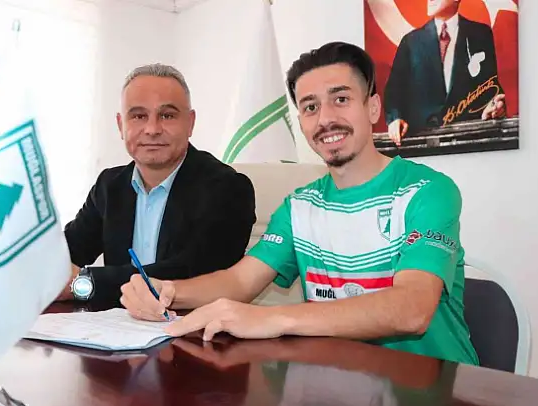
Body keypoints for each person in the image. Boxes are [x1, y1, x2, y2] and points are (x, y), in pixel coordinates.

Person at [119, 42, 479, 366]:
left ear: (372, 108)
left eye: (341, 99)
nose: (325, 119)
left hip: (435, 388)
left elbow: (411, 310)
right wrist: (167, 291)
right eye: (310, 107)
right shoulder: (299, 206)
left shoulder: (427, 190)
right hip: (338, 382)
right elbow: (239, 281)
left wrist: (272, 319)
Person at [57, 63, 256, 306]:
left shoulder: (228, 188)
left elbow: (191, 273)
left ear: (190, 123)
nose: (152, 129)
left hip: (193, 325)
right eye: (138, 116)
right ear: (121, 125)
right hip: (117, 323)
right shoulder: (109, 186)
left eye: (167, 115)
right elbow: (66, 253)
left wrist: (84, 283)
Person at [385, 0, 506, 145]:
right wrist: (395, 118)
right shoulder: (410, 42)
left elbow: (490, 87)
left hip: (469, 140)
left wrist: (494, 106)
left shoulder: (481, 35)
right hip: (422, 143)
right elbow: (393, 93)